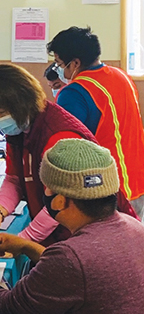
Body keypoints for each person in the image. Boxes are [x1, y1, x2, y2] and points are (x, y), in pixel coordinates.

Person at [0, 139, 144, 314]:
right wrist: (26, 246)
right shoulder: (135, 228)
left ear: (59, 201)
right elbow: (84, 273)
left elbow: (10, 306)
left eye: (47, 187)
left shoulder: (70, 258)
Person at [0, 64, 137, 246]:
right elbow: (15, 178)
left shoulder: (58, 137)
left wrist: (24, 240)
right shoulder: (19, 131)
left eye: (1, 113)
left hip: (89, 236)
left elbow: (62, 201)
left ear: (21, 102)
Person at [47, 26, 144, 219]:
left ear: (75, 63)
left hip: (105, 187)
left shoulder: (74, 92)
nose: (58, 69)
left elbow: (66, 147)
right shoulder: (122, 76)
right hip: (136, 178)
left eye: (59, 62)